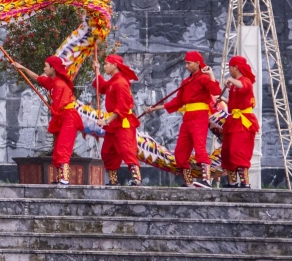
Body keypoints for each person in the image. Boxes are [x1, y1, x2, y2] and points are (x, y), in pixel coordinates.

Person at [143, 51, 220, 188]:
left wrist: (211, 74)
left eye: (189, 63)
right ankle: (189, 182)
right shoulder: (186, 81)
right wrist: (154, 108)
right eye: (185, 63)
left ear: (197, 63)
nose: (186, 66)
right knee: (180, 153)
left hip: (199, 116)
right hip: (188, 118)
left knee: (200, 148)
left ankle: (206, 180)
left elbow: (216, 91)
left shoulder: (204, 78)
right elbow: (177, 102)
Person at [13, 55, 82, 186]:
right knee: (57, 148)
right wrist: (22, 68)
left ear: (53, 68)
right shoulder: (52, 82)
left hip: (68, 117)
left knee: (63, 147)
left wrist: (54, 108)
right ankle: (60, 176)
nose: (44, 68)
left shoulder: (59, 84)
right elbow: (37, 78)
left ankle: (65, 178)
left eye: (46, 66)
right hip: (62, 117)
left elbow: (58, 105)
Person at [93, 54, 142, 186]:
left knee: (127, 149)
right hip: (114, 122)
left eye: (106, 64)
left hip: (122, 120)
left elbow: (123, 106)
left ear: (114, 65)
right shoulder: (114, 80)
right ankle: (113, 180)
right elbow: (102, 87)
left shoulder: (120, 82)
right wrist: (97, 71)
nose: (104, 66)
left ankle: (136, 179)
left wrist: (106, 121)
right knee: (108, 151)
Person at [219, 55, 259, 189]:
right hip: (233, 120)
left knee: (238, 150)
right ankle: (232, 182)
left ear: (236, 67)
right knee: (227, 151)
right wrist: (223, 100)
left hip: (243, 122)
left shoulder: (244, 80)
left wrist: (231, 80)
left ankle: (245, 182)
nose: (229, 70)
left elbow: (244, 86)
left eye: (230, 68)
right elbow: (235, 104)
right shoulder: (234, 86)